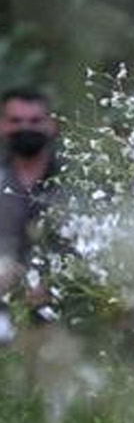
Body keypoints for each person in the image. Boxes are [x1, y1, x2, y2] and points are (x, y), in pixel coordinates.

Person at [1, 87, 62, 299]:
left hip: (66, 311)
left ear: (52, 125)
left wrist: (51, 281)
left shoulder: (78, 182)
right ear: (2, 125)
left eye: (35, 121)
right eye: (16, 121)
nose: (25, 128)